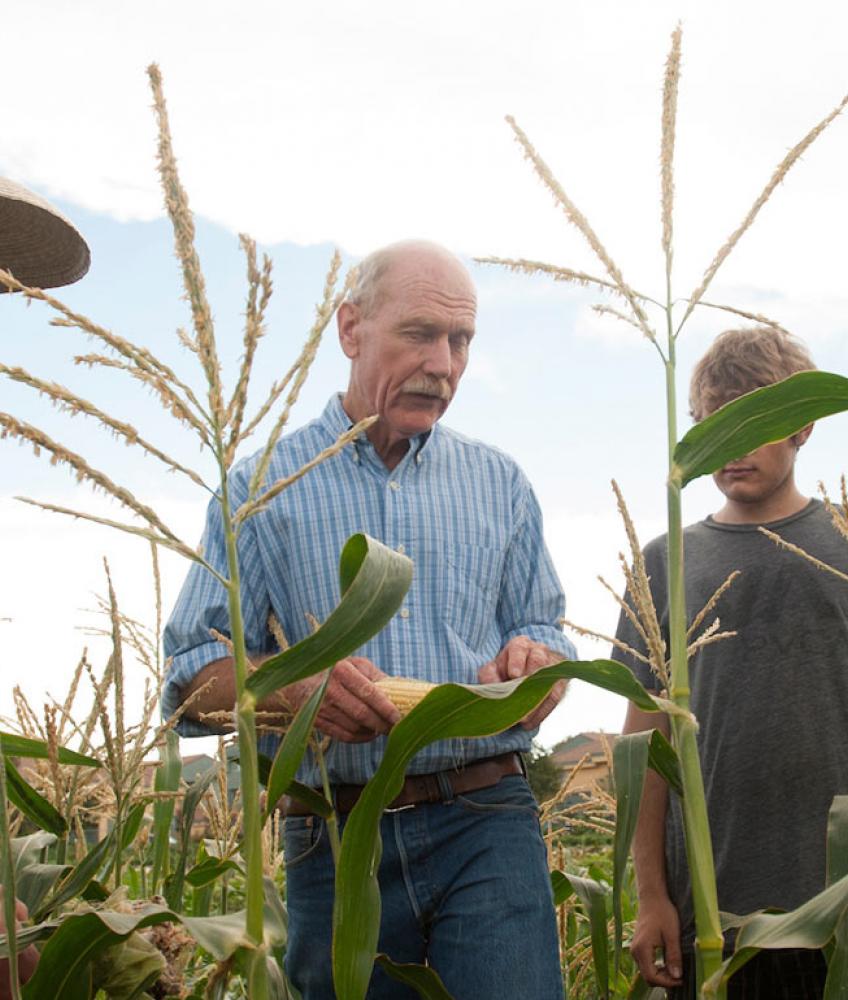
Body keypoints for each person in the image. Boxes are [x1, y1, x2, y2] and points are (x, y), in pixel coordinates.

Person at [162, 240, 573, 999]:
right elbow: (192, 674)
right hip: (335, 836)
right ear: (351, 330)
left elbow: (546, 632)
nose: (444, 364)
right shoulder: (259, 489)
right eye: (420, 334)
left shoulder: (501, 483)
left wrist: (538, 666)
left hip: (486, 814)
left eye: (461, 341)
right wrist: (296, 689)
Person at [614, 327, 848, 999]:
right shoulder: (665, 562)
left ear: (802, 424)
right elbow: (641, 741)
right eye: (713, 425)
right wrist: (650, 895)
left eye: (753, 420)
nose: (730, 444)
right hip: (714, 919)